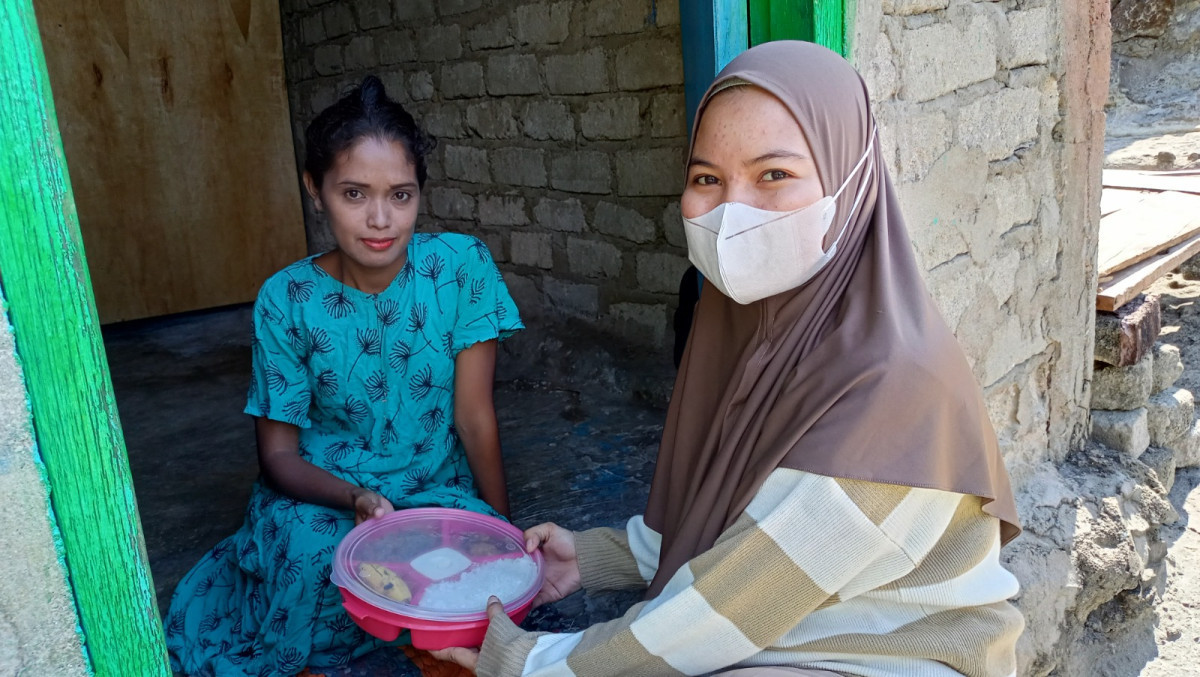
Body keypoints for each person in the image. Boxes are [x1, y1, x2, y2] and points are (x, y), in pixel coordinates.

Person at [433, 41, 1024, 677]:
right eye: (706, 178)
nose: (730, 210)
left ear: (853, 185)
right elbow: (734, 507)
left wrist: (522, 663)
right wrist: (592, 557)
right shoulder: (747, 327)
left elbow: (727, 611)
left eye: (774, 175)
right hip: (795, 619)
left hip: (893, 652)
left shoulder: (896, 388)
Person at [164, 75, 523, 676]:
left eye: (401, 195)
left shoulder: (461, 269)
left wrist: (503, 538)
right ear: (315, 189)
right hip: (325, 493)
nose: (380, 220)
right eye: (354, 194)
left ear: (419, 195)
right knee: (313, 561)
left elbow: (473, 417)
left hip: (431, 486)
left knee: (471, 567)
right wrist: (353, 497)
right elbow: (276, 457)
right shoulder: (286, 299)